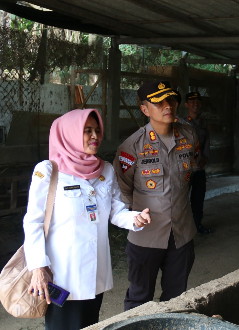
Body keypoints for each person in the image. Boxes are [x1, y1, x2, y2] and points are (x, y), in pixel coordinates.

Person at [23, 109, 151, 330]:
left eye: (97, 130)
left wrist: (135, 219)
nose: (95, 136)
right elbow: (33, 222)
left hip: (95, 272)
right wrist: (38, 267)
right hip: (63, 275)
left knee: (90, 325)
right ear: (69, 134)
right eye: (87, 131)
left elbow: (116, 212)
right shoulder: (48, 171)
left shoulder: (106, 170)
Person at [113, 80, 198, 311]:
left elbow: (190, 175)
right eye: (159, 102)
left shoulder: (189, 137)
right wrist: (135, 216)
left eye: (171, 99)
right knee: (139, 299)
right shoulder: (132, 146)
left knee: (177, 298)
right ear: (144, 110)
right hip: (146, 237)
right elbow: (122, 190)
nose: (167, 105)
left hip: (181, 233)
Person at [183, 91, 211, 234]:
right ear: (186, 104)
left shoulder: (203, 123)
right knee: (181, 198)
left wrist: (204, 159)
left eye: (198, 102)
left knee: (198, 198)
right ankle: (180, 228)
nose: (195, 104)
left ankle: (197, 225)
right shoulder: (180, 123)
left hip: (199, 168)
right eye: (192, 102)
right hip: (185, 169)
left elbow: (207, 143)